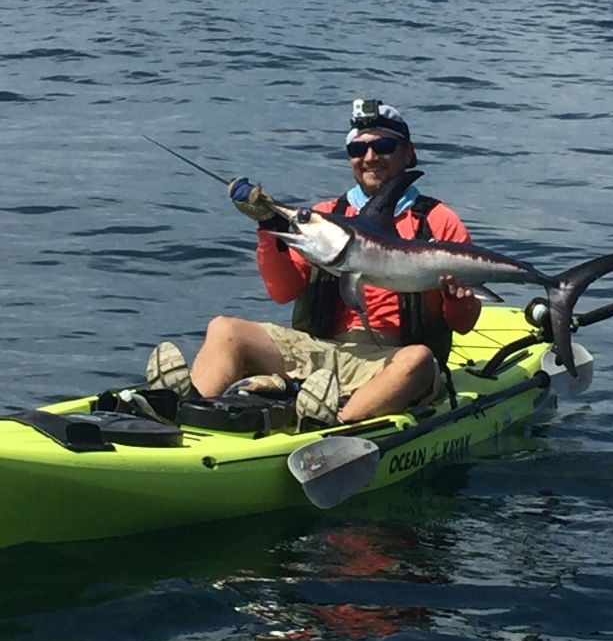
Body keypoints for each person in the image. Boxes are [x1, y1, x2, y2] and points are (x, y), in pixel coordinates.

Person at [147, 99, 481, 429]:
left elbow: (463, 324)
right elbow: (284, 291)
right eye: (357, 150)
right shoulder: (325, 216)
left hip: (391, 361)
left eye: (383, 146)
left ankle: (330, 422)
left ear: (408, 153)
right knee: (225, 330)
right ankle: (186, 411)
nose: (370, 157)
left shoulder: (438, 221)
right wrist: (269, 228)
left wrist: (456, 298)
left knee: (418, 360)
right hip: (320, 351)